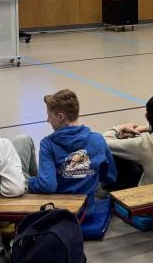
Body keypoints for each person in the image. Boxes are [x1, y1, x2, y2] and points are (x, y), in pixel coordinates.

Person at [28, 89, 117, 222]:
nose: (47, 120)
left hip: (58, 215)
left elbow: (47, 186)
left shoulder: (48, 144)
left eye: (49, 115)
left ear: (60, 117)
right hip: (86, 212)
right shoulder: (97, 139)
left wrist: (30, 182)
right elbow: (110, 177)